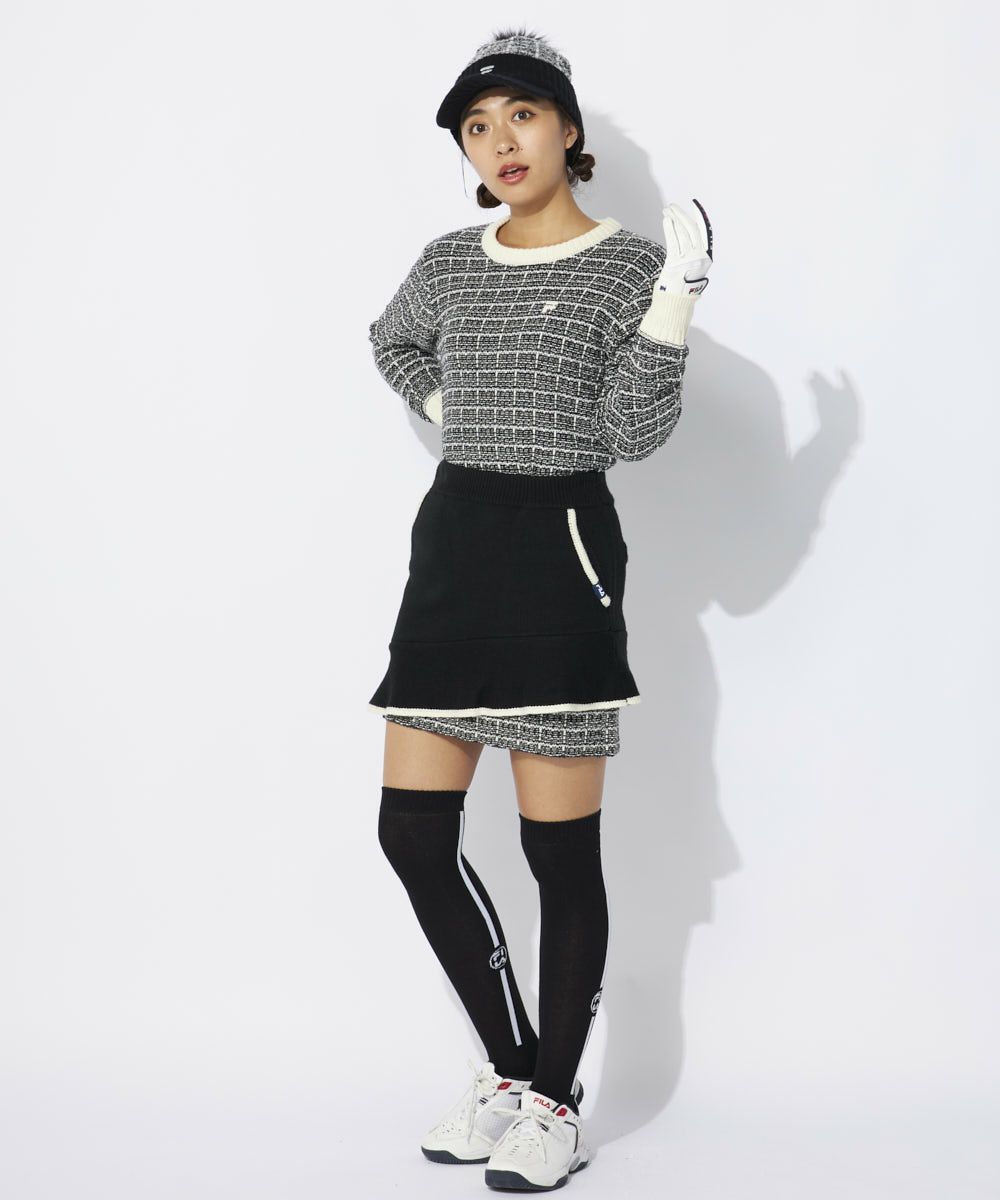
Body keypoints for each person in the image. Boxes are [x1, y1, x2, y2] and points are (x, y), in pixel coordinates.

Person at [367, 26, 713, 1192]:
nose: (499, 140)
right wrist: (439, 401)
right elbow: (390, 337)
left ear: (566, 128)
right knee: (412, 837)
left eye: (520, 114)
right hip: (453, 559)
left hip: (561, 564)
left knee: (557, 856)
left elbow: (629, 434)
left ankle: (554, 1106)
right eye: (477, 126)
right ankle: (517, 1075)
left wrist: (673, 305)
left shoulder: (626, 266)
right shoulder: (447, 262)